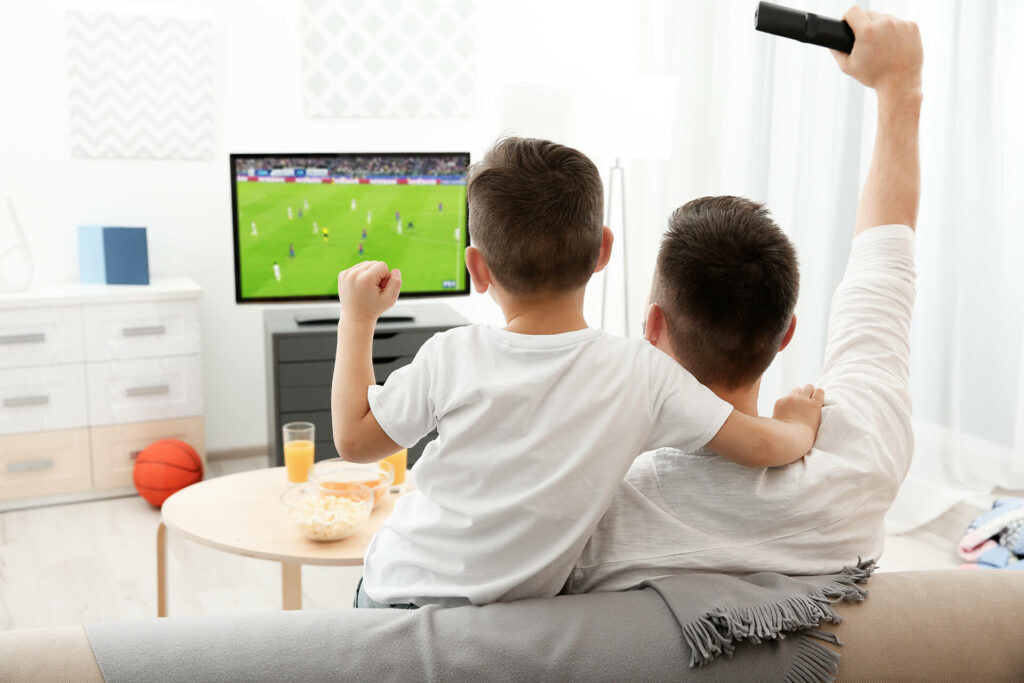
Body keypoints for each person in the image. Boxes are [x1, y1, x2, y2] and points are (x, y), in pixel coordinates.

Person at [331, 138, 824, 609]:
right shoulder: (644, 374)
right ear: (604, 250)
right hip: (505, 620)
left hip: (394, 592)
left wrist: (357, 319)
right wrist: (800, 424)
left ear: (477, 270)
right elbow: (761, 447)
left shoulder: (449, 354)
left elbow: (354, 441)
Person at [567, 6, 922, 593]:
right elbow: (884, 269)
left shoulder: (597, 504)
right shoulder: (862, 461)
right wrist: (900, 87)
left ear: (652, 324)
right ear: (786, 333)